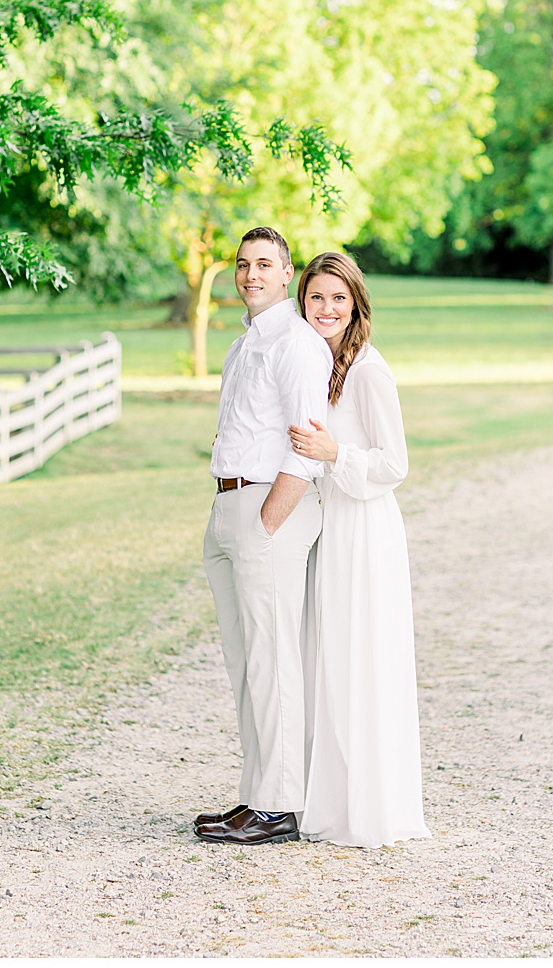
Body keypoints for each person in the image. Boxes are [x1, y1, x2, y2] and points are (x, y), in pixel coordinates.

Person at [285, 251, 429, 847]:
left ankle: (367, 807)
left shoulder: (369, 370)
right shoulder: (313, 364)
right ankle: (322, 798)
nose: (326, 308)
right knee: (324, 659)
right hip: (325, 525)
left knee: (360, 658)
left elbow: (395, 463)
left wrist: (334, 456)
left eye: (338, 298)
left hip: (365, 529)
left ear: (355, 304)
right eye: (316, 297)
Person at [195, 226, 333, 845]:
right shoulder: (243, 344)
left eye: (265, 264)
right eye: (244, 263)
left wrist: (268, 520)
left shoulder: (298, 346)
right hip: (229, 504)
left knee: (273, 658)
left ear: (287, 274)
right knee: (245, 659)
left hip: (265, 510)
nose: (251, 274)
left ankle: (279, 806)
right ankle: (256, 794)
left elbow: (305, 448)